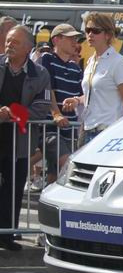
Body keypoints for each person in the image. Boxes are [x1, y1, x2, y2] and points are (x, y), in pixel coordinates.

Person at [0, 26, 51, 250]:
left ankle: (7, 235)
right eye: (8, 41)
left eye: (15, 42)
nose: (9, 45)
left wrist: (13, 114)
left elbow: (41, 107)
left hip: (19, 143)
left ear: (28, 47)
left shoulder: (40, 74)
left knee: (13, 189)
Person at [62, 12, 123, 145]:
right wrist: (77, 100)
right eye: (87, 30)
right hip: (87, 128)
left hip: (109, 131)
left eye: (95, 31)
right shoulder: (91, 61)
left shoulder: (118, 62)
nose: (90, 34)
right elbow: (94, 94)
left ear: (108, 35)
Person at [39, 24, 84, 183]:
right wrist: (56, 113)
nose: (75, 42)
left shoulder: (76, 68)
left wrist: (77, 100)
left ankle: (48, 206)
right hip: (51, 128)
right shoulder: (47, 59)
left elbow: (84, 94)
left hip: (71, 129)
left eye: (76, 38)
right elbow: (46, 87)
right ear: (56, 40)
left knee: (55, 174)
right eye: (71, 38)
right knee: (67, 166)